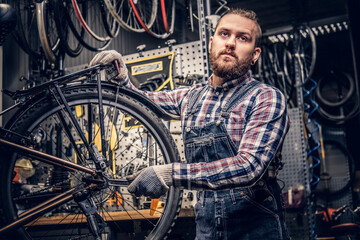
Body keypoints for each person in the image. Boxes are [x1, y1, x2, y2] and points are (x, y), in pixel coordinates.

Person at [90, 8, 290, 240]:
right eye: (225, 34)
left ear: (255, 55)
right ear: (211, 43)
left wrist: (168, 174)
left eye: (242, 38)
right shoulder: (191, 97)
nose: (231, 43)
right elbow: (141, 102)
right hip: (206, 232)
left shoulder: (266, 98)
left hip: (256, 233)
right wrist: (120, 78)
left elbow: (248, 167)